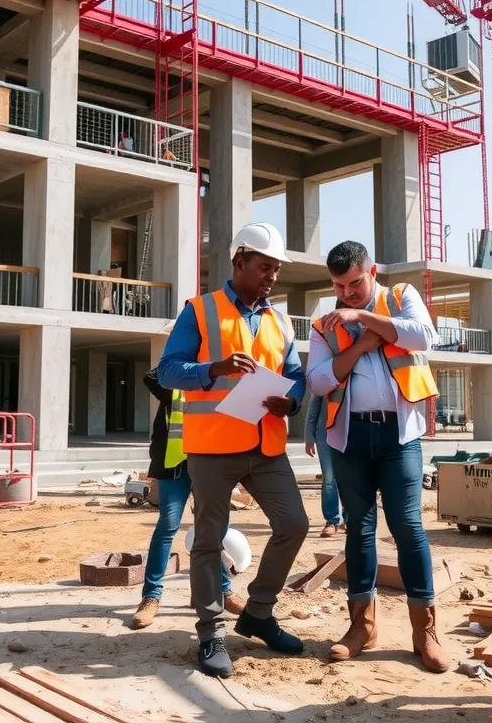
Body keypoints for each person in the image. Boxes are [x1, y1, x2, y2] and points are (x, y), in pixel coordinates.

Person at [157, 221, 309, 679]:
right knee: (208, 541)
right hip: (214, 447)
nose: (272, 276)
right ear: (239, 261)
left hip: (265, 444)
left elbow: (296, 373)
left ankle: (258, 612)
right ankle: (211, 633)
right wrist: (213, 368)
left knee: (294, 524)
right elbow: (167, 371)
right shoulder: (200, 311)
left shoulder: (279, 320)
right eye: (265, 266)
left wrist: (293, 399)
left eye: (277, 269)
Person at [306, 240, 449, 673]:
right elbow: (317, 380)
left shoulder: (402, 297)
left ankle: (425, 632)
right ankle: (361, 626)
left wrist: (365, 318)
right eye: (338, 286)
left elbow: (425, 336)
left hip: (399, 435)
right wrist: (362, 344)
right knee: (359, 530)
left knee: (408, 525)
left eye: (353, 283)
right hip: (349, 439)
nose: (345, 293)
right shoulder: (322, 324)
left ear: (372, 272)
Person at [129, 367, 246, 630]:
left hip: (210, 461)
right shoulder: (172, 380)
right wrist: (179, 352)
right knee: (167, 526)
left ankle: (221, 591)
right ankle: (151, 597)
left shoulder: (220, 379)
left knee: (214, 529)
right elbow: (150, 376)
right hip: (175, 464)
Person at [304, 393, 346, 537]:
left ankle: (349, 518)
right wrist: (309, 436)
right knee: (329, 478)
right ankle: (332, 520)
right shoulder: (323, 377)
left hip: (350, 434)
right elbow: (313, 410)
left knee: (350, 477)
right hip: (325, 435)